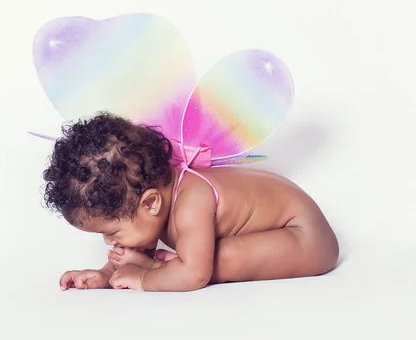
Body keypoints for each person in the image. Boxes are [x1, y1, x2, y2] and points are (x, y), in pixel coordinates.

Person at [42, 112, 339, 292]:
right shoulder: (150, 202)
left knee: (213, 262)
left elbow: (196, 276)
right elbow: (129, 253)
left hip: (305, 237)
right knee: (199, 257)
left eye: (112, 233)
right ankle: (169, 267)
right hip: (279, 235)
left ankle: (167, 268)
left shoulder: (191, 202)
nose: (110, 243)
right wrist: (105, 275)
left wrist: (144, 278)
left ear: (151, 204)